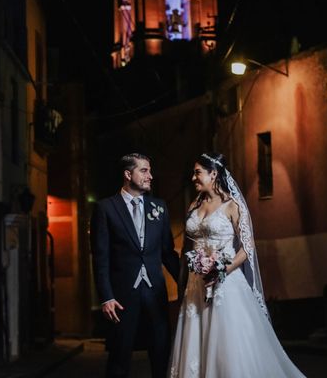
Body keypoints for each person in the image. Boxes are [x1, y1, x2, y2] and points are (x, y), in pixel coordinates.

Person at [168, 152, 306, 378]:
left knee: (226, 343)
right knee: (197, 341)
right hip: (196, 285)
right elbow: (188, 248)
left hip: (226, 283)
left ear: (213, 174)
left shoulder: (232, 206)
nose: (193, 178)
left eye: (197, 173)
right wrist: (191, 273)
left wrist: (223, 268)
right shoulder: (194, 205)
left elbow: (247, 248)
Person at [91, 153, 180, 378]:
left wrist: (189, 282)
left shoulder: (158, 207)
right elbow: (101, 258)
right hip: (121, 298)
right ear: (128, 174)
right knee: (120, 358)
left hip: (155, 294)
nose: (150, 176)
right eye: (144, 170)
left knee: (161, 354)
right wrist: (106, 296)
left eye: (150, 170)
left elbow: (168, 253)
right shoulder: (106, 208)